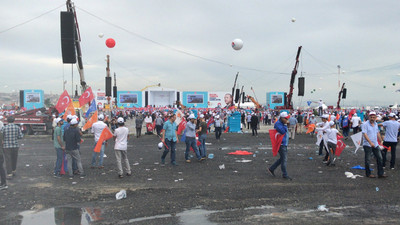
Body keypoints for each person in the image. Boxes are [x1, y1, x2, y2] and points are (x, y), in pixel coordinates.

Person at [361, 112, 386, 178]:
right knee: (368, 159)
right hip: (367, 144)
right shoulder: (365, 124)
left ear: (375, 118)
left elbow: (377, 132)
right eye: (371, 117)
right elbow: (365, 134)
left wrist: (381, 140)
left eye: (374, 117)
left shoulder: (375, 124)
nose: (372, 118)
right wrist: (370, 142)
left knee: (380, 158)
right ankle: (368, 174)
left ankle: (380, 173)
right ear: (369, 117)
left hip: (375, 144)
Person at [267, 112, 292, 180]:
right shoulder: (278, 124)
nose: (287, 120)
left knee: (282, 158)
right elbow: (283, 131)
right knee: (284, 159)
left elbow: (286, 131)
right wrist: (285, 124)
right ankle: (285, 174)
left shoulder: (282, 123)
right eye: (286, 118)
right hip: (281, 144)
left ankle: (272, 168)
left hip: (284, 143)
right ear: (281, 118)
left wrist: (286, 124)